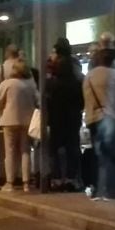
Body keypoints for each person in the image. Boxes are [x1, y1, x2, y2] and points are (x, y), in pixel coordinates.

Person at [83, 48, 115, 200]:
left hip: (92, 119)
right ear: (113, 61)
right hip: (111, 118)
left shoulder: (88, 76)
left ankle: (100, 189)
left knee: (101, 155)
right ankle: (113, 190)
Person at [0, 60, 39, 192]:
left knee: (10, 151)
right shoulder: (30, 85)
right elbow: (38, 101)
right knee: (25, 151)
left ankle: (10, 182)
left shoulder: (6, 84)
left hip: (9, 120)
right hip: (26, 121)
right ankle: (26, 183)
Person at [47, 37, 84, 191]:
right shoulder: (76, 77)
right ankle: (70, 178)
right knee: (72, 148)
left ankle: (56, 179)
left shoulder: (52, 80)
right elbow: (81, 98)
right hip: (73, 116)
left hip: (56, 117)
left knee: (54, 148)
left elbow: (47, 99)